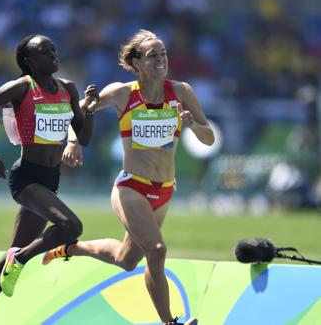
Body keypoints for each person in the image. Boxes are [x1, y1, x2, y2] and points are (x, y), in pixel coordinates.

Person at [43, 29, 214, 325]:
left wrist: (193, 126)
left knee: (126, 259)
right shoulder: (123, 93)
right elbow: (75, 114)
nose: (161, 59)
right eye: (152, 55)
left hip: (164, 191)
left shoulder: (182, 91)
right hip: (131, 187)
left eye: (163, 53)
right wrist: (72, 140)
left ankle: (71, 247)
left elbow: (209, 138)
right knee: (157, 250)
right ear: (137, 64)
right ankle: (169, 322)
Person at [0, 34, 99, 324]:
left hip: (50, 179)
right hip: (26, 179)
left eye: (54, 49)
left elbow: (83, 137)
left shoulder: (68, 89)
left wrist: (89, 110)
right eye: (44, 51)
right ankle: (21, 259)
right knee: (71, 226)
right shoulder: (22, 88)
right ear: (28, 61)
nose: (53, 54)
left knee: (15, 248)